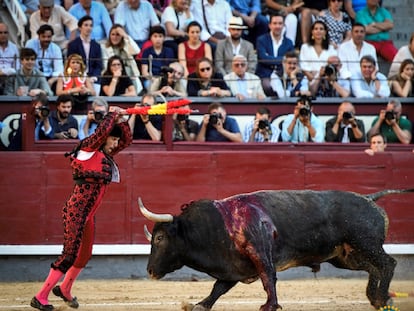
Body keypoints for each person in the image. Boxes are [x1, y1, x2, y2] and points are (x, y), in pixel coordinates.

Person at [30, 104, 132, 311]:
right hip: (76, 211)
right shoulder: (87, 148)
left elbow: (126, 140)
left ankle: (65, 289)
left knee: (84, 254)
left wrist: (122, 120)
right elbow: (103, 131)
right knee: (69, 254)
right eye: (113, 139)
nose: (115, 143)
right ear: (103, 138)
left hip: (88, 215)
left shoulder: (105, 154)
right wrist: (112, 113)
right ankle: (40, 296)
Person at [255, 13, 295, 96]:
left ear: (284, 25)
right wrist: (283, 59)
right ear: (270, 25)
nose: (277, 26)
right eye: (275, 23)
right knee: (268, 87)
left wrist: (270, 58)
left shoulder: (289, 42)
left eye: (280, 23)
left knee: (292, 87)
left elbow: (291, 60)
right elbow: (263, 58)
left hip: (282, 74)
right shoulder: (261, 40)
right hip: (266, 74)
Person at [101, 24, 143, 95]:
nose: (115, 37)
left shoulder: (126, 44)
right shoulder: (104, 47)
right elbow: (106, 65)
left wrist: (125, 35)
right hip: (111, 74)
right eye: (113, 34)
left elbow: (137, 51)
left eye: (118, 35)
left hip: (129, 74)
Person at [25, 24, 64, 90]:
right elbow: (25, 63)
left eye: (49, 37)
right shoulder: (30, 44)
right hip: (33, 76)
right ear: (38, 36)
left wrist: (51, 81)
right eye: (43, 36)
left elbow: (59, 69)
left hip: (49, 77)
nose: (46, 39)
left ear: (52, 37)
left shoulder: (56, 48)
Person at [67, 15, 103, 86]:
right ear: (80, 28)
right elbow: (70, 63)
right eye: (86, 25)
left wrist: (94, 77)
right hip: (77, 77)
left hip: (93, 78)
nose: (89, 28)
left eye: (91, 25)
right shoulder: (73, 45)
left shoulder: (96, 46)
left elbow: (98, 65)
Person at [0, 23, 20, 95]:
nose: (3, 35)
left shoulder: (14, 47)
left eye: (5, 32)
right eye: (0, 33)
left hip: (10, 77)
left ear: (8, 34)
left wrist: (4, 72)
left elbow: (17, 67)